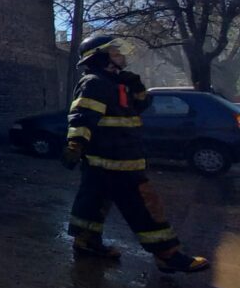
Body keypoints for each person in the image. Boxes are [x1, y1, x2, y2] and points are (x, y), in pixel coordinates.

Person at [62, 34, 209, 273]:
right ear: (101, 58)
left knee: (92, 202)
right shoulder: (95, 83)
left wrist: (137, 87)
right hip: (115, 161)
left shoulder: (118, 83)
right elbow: (82, 116)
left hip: (114, 159)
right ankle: (167, 254)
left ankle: (87, 242)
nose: (121, 55)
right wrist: (74, 145)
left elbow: (140, 106)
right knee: (143, 205)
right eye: (115, 52)